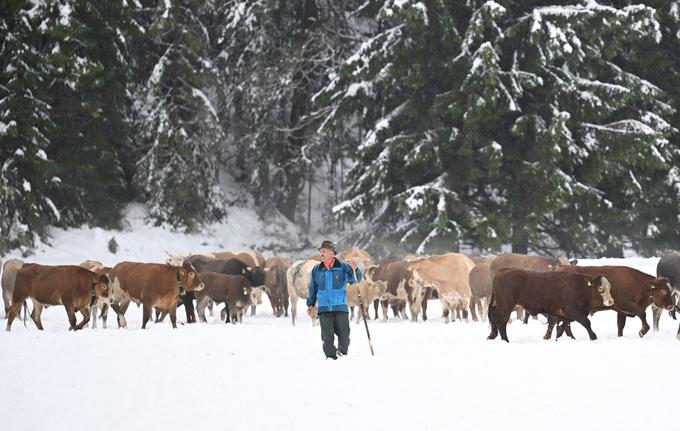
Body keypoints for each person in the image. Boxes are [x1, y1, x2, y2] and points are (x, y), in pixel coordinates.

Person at [307, 240, 362, 360]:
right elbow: (312, 288)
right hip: (324, 309)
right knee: (327, 339)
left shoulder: (343, 267)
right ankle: (332, 359)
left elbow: (355, 279)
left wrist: (355, 269)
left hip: (340, 307)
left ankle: (342, 356)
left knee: (344, 338)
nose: (321, 254)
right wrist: (310, 304)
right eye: (320, 251)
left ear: (332, 253)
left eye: (324, 251)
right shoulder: (317, 270)